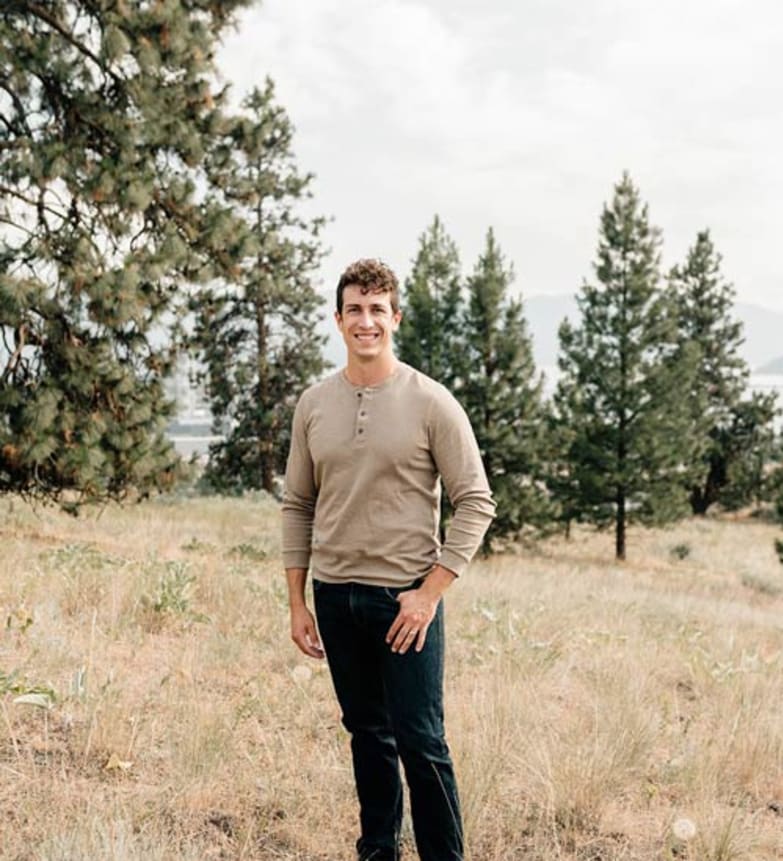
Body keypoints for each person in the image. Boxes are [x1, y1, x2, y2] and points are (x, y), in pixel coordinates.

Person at [282, 258, 495, 861]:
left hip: (405, 600)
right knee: (367, 737)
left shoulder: (431, 402)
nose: (366, 320)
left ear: (395, 318)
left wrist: (429, 594)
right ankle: (378, 852)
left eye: (378, 309)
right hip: (335, 597)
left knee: (422, 743)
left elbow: (476, 502)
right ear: (339, 319)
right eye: (355, 309)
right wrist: (297, 603)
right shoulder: (314, 404)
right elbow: (297, 503)